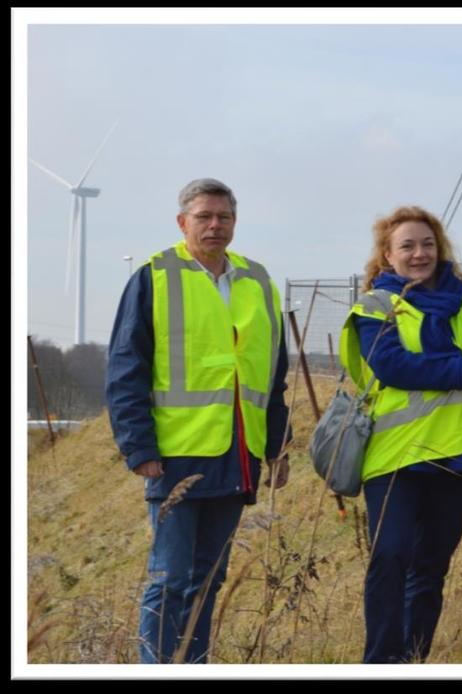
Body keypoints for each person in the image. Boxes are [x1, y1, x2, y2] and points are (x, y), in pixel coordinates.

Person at [105, 178, 291, 664]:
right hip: (174, 457)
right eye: (204, 217)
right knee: (170, 579)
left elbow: (274, 373)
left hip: (238, 454)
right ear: (182, 222)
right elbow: (127, 368)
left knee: (209, 579)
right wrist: (138, 447)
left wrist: (278, 446)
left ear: (234, 222)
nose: (215, 225)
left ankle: (194, 665)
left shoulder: (258, 280)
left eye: (224, 217)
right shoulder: (154, 276)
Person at [340, 205, 462, 664]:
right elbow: (393, 365)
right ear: (387, 256)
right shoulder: (375, 305)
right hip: (397, 457)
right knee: (390, 557)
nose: (420, 253)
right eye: (407, 246)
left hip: (458, 456)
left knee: (430, 569)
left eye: (428, 244)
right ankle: (380, 661)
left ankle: (413, 660)